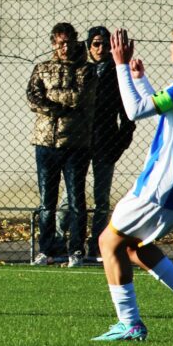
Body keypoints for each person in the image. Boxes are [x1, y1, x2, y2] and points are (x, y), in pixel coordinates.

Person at [93, 20, 173, 341]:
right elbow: (165, 109)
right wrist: (141, 79)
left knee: (108, 242)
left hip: (162, 184)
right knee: (134, 248)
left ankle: (130, 323)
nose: (170, 50)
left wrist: (120, 65)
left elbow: (135, 111)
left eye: (171, 44)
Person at [55, 26, 136, 262]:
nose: (101, 49)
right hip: (78, 141)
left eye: (105, 44)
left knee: (101, 198)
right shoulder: (78, 68)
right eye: (96, 44)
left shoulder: (117, 71)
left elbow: (127, 111)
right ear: (88, 46)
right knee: (70, 197)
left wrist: (121, 142)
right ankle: (60, 240)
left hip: (105, 142)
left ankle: (97, 243)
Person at [26, 22, 97, 267]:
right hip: (45, 142)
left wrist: (51, 101)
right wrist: (57, 107)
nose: (64, 47)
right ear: (53, 43)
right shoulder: (42, 68)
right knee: (47, 200)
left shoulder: (86, 70)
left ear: (75, 41)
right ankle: (47, 249)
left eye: (67, 42)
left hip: (76, 142)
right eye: (59, 42)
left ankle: (76, 249)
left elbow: (80, 97)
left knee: (76, 200)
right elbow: (33, 98)